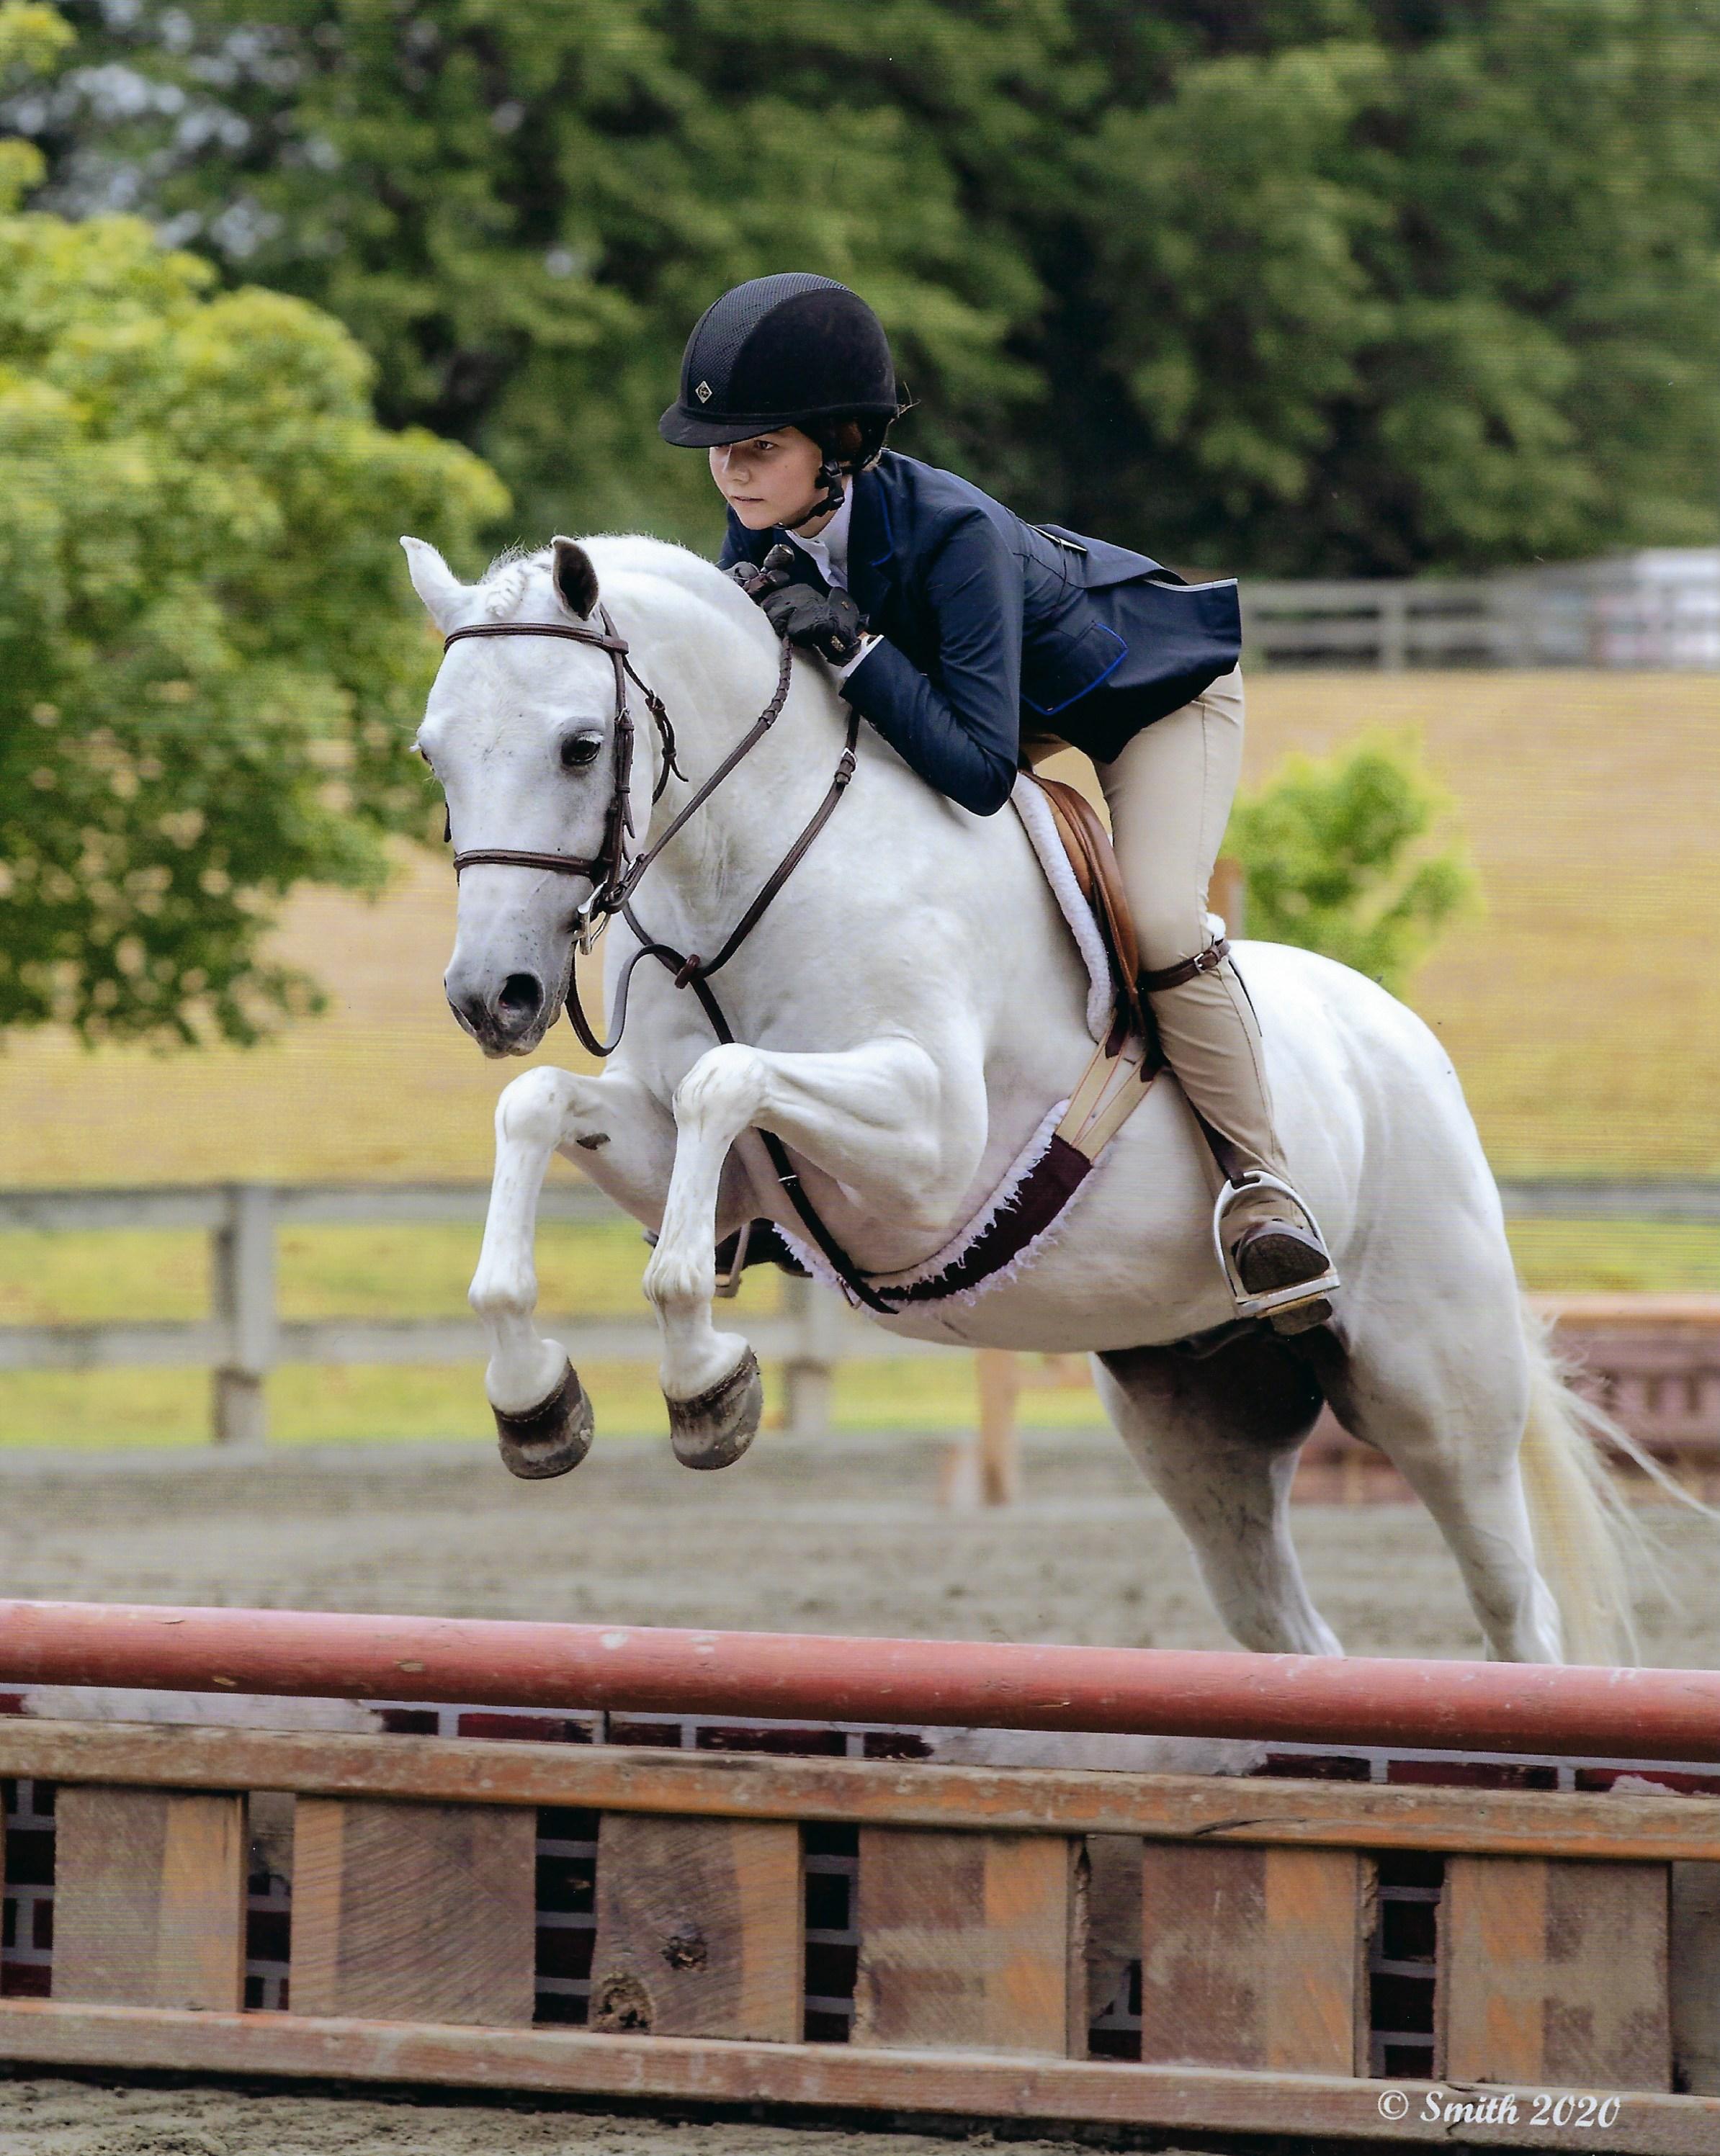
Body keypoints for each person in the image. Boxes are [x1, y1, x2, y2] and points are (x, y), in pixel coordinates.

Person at [659, 272, 1336, 1334]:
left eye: (758, 446)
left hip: (1152, 701)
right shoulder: (758, 534)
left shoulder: (955, 534)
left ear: (842, 443)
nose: (730, 472)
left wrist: (849, 641)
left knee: (1158, 915)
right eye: (719, 446)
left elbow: (978, 772)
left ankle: (1261, 1185)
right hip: (990, 702)